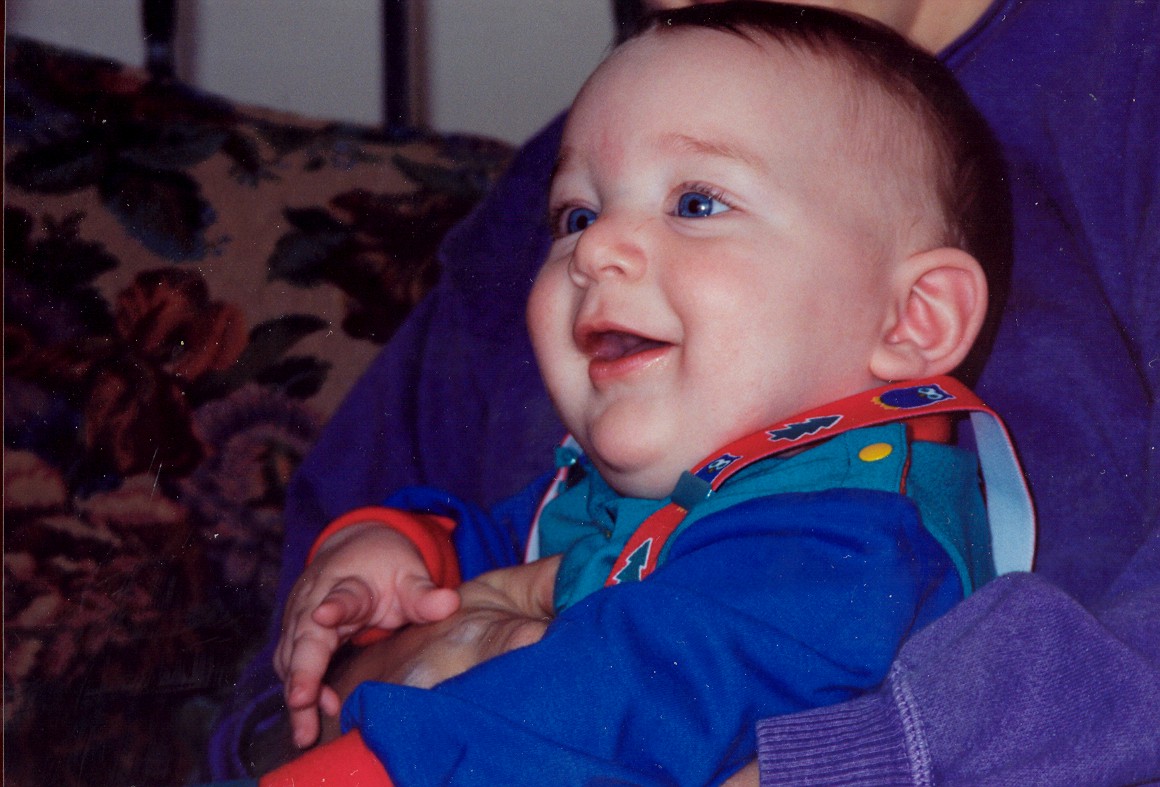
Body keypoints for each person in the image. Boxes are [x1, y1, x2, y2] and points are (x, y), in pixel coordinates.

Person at [209, 0, 1159, 784]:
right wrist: (399, 583)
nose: (596, 248)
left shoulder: (838, 529)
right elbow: (293, 675)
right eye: (574, 216)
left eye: (698, 204)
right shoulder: (591, 160)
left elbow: (665, 673)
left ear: (915, 318)